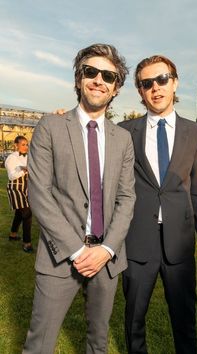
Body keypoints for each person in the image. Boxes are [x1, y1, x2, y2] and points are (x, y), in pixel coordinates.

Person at [22, 43, 136, 354]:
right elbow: (39, 193)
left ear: (115, 89)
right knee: (39, 345)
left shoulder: (123, 139)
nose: (99, 80)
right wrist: (76, 251)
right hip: (60, 257)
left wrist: (107, 249)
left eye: (109, 76)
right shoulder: (50, 127)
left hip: (107, 261)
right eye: (91, 71)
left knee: (98, 344)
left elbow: (127, 198)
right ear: (78, 79)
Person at [119, 54, 197, 354]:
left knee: (184, 320)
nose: (156, 87)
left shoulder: (196, 132)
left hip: (179, 245)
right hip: (138, 240)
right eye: (147, 83)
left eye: (162, 79)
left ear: (174, 82)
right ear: (140, 91)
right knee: (134, 321)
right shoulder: (125, 131)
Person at [5, 136, 33, 253]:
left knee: (19, 213)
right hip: (16, 189)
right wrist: (24, 170)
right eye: (23, 144)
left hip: (26, 188)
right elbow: (11, 176)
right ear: (16, 145)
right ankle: (27, 243)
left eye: (27, 144)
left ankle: (13, 234)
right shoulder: (11, 158)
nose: (26, 147)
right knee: (27, 214)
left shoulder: (29, 157)